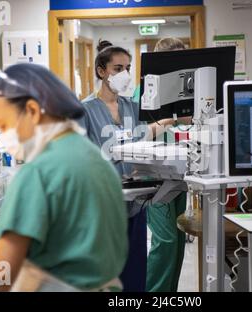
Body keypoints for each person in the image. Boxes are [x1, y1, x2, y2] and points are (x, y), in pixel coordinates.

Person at [0, 63, 128, 291]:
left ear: (32, 111)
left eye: (4, 124)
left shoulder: (38, 171)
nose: (3, 134)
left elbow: (2, 272)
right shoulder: (95, 158)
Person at [79, 40, 178, 292]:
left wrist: (174, 118)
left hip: (135, 203)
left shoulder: (132, 107)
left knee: (134, 275)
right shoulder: (85, 110)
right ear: (102, 71)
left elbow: (144, 134)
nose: (124, 74)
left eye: (128, 68)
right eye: (117, 68)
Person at [133, 37, 188, 292]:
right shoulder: (143, 91)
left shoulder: (184, 90)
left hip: (180, 172)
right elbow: (138, 135)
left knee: (176, 238)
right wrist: (171, 120)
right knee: (165, 240)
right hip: (154, 175)